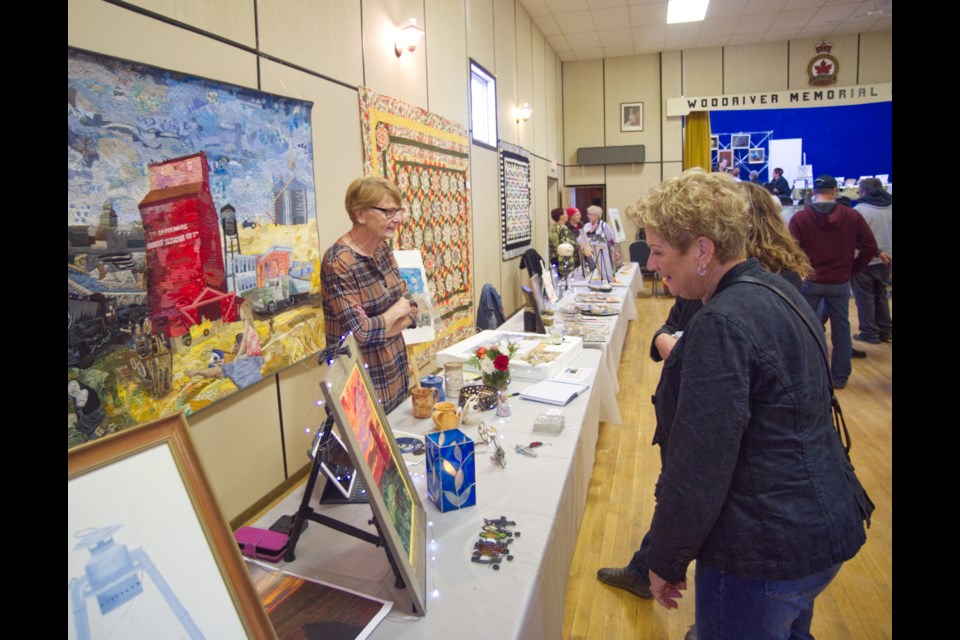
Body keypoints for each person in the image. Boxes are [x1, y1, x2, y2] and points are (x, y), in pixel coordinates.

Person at [598, 169, 873, 639]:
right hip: (817, 525)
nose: (653, 266)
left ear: (703, 251)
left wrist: (664, 560)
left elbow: (699, 463)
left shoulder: (720, 323)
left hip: (764, 547)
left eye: (660, 252)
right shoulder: (777, 290)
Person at [321, 176, 418, 413]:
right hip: (362, 386)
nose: (397, 219)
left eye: (399, 211)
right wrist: (395, 313)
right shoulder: (338, 262)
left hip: (395, 374)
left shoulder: (382, 248)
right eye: (388, 211)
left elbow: (413, 307)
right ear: (360, 214)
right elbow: (361, 333)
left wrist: (385, 324)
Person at [788, 175, 877, 389]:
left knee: (805, 328)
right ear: (835, 191)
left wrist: (803, 270)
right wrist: (851, 269)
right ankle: (839, 377)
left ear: (813, 192)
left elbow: (791, 250)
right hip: (839, 281)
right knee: (841, 330)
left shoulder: (800, 218)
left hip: (810, 280)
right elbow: (870, 248)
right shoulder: (852, 216)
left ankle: (805, 374)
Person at [851, 177, 892, 344]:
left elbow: (855, 237)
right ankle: (886, 330)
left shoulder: (860, 210)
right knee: (881, 294)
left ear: (864, 192)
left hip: (864, 259)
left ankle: (869, 331)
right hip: (887, 258)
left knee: (864, 296)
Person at [583, 205, 623, 271]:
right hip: (590, 255)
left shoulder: (604, 225)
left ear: (597, 215)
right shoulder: (587, 226)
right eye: (588, 214)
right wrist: (590, 232)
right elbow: (582, 240)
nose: (589, 216)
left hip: (603, 255)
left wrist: (615, 252)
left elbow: (611, 240)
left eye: (591, 214)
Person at [548, 207, 578, 276]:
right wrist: (578, 244)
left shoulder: (552, 227)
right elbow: (568, 244)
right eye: (566, 214)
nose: (567, 215)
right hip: (563, 260)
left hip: (553, 258)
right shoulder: (563, 228)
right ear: (561, 216)